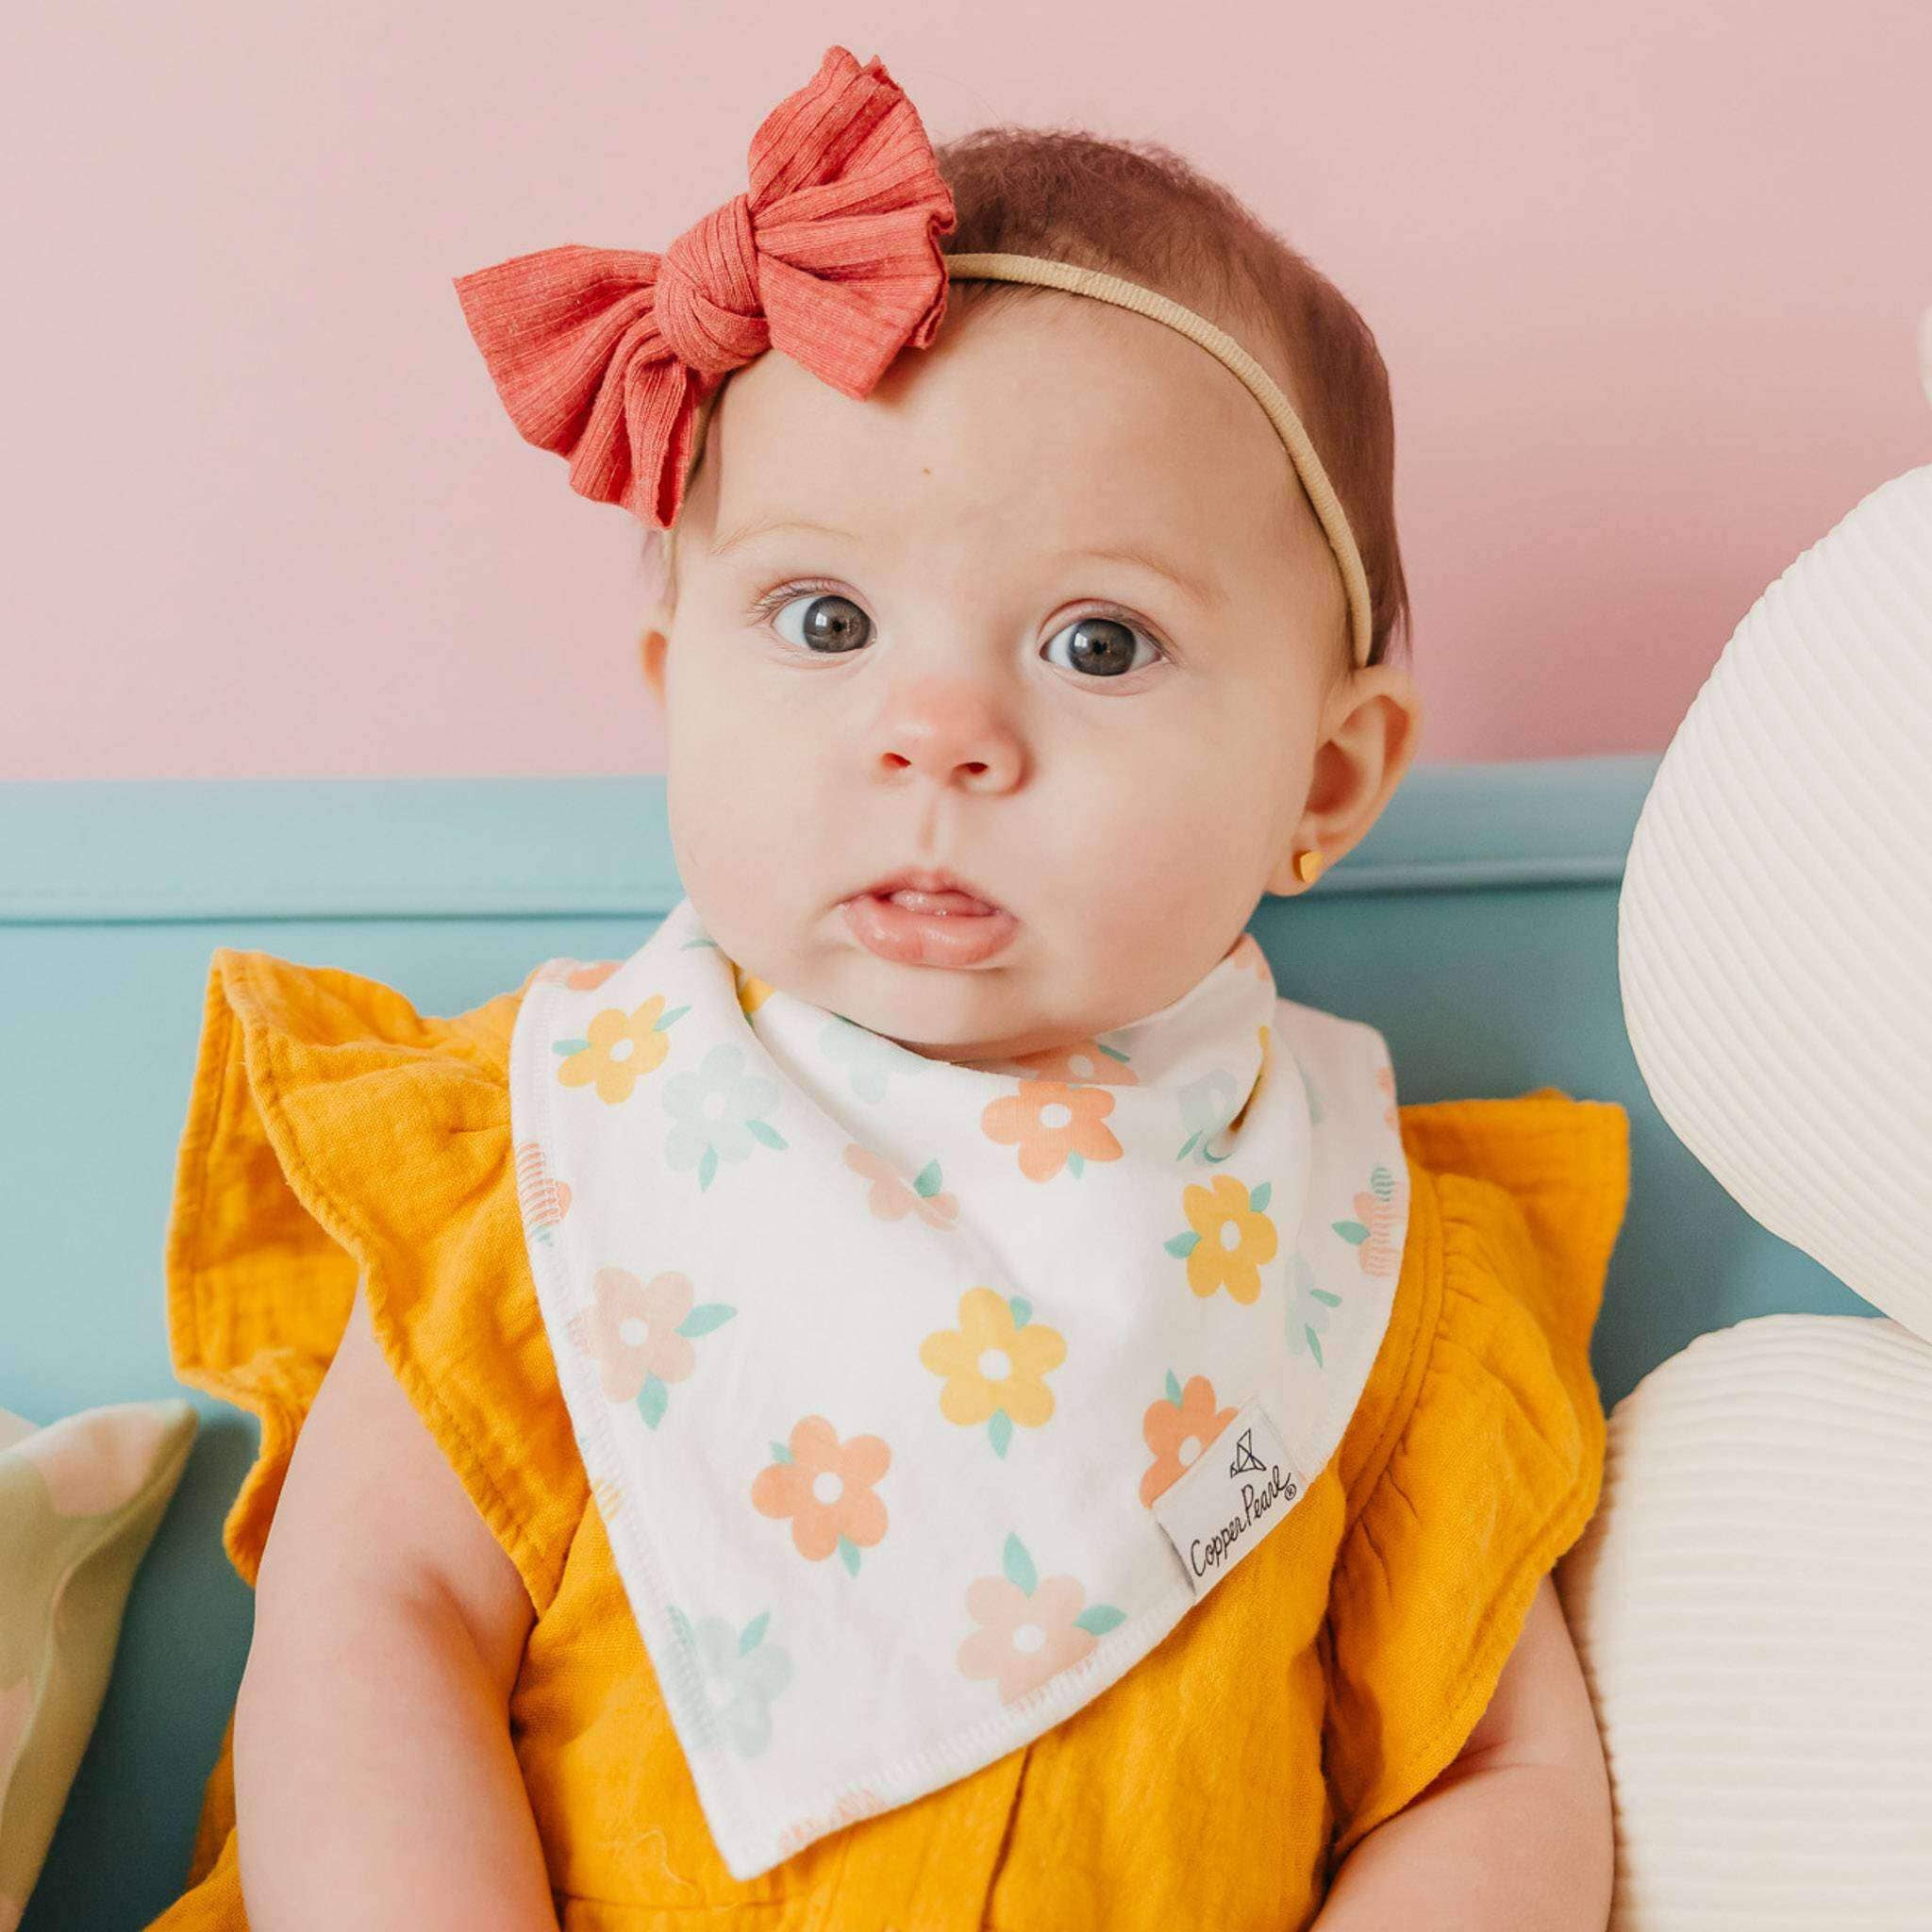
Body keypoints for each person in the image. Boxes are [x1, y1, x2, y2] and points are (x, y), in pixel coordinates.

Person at [151, 45, 1628, 1930]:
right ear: (673, 666)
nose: (936, 732)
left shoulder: (1366, 1257)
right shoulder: (549, 1155)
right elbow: (373, 1624)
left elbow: (1489, 1777)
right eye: (826, 622)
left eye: (1098, 641)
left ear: (1325, 781)